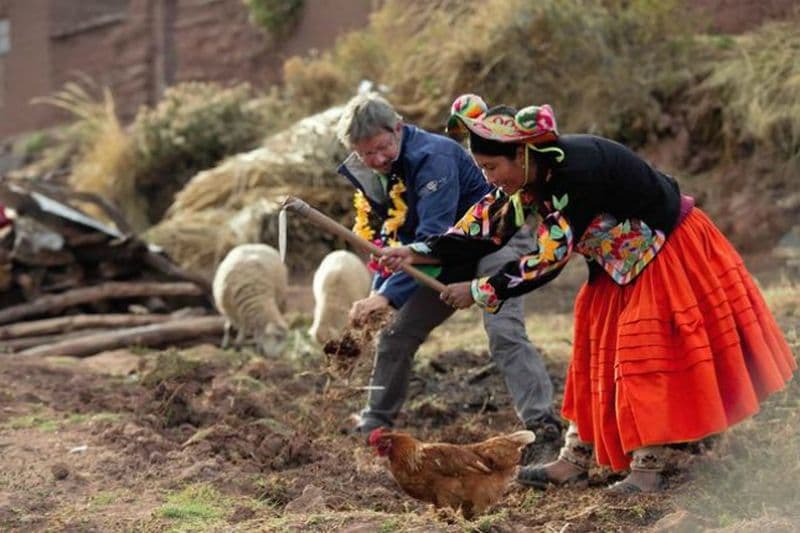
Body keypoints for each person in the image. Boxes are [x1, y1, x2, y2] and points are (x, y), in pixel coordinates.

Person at [380, 94, 796, 493]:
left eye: (491, 167)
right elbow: (486, 227)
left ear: (520, 155)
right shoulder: (529, 177)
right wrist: (416, 253)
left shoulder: (572, 175)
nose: (489, 179)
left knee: (641, 357)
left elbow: (548, 259)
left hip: (664, 250)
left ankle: (648, 471)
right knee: (593, 354)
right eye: (482, 169)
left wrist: (478, 290)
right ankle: (574, 460)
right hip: (617, 261)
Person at [335, 92, 562, 450]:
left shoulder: (433, 157)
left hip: (493, 242)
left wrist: (387, 295)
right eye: (366, 154)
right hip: (436, 254)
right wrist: (380, 294)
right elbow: (392, 241)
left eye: (382, 148)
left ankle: (542, 427)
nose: (376, 160)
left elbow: (431, 236)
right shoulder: (376, 174)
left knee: (503, 332)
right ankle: (374, 423)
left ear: (398, 127)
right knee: (395, 334)